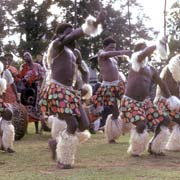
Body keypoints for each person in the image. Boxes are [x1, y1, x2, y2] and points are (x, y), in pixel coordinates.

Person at [39, 10, 106, 169]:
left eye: (72, 33)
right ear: (60, 35)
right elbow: (72, 36)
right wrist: (93, 24)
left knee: (83, 125)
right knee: (72, 125)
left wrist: (83, 85)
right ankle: (63, 160)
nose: (71, 36)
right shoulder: (56, 46)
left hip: (70, 92)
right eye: (67, 34)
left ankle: (55, 142)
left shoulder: (74, 53)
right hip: (57, 90)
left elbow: (80, 72)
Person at [120, 39, 180, 156]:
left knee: (165, 120)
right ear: (136, 52)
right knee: (141, 125)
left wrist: (171, 99)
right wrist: (157, 44)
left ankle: (154, 147)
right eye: (142, 49)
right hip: (131, 102)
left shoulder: (151, 69)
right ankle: (135, 150)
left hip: (146, 103)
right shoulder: (135, 63)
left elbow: (162, 84)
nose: (145, 52)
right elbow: (144, 53)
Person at [92, 37, 131, 143]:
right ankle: (111, 136)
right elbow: (105, 54)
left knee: (128, 105)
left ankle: (126, 127)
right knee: (115, 113)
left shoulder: (115, 58)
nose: (113, 49)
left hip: (118, 85)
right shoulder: (101, 53)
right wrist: (121, 52)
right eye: (110, 47)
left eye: (114, 47)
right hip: (108, 87)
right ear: (104, 47)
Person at [154, 54, 180, 151]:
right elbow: (167, 87)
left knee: (169, 122)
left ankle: (174, 145)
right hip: (165, 101)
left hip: (172, 101)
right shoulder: (170, 69)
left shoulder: (177, 70)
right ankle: (155, 146)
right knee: (165, 122)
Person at [18, 51, 44, 134]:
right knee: (25, 109)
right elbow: (20, 77)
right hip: (26, 90)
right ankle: (26, 130)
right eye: (24, 56)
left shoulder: (37, 66)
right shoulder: (22, 66)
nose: (26, 57)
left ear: (30, 57)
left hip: (35, 89)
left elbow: (43, 76)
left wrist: (37, 81)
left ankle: (37, 129)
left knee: (36, 109)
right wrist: (24, 80)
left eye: (27, 55)